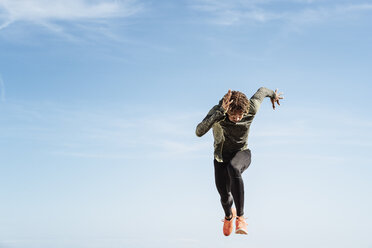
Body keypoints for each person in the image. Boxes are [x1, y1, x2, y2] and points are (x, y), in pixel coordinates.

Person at [195, 87, 284, 236]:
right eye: (233, 115)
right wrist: (219, 113)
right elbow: (199, 132)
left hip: (242, 153)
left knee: (233, 168)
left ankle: (241, 218)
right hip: (221, 158)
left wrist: (274, 95)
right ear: (227, 110)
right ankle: (229, 216)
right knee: (224, 196)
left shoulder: (251, 108)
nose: (237, 118)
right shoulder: (219, 112)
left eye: (240, 115)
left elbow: (262, 91)